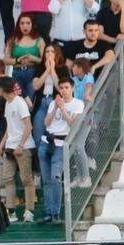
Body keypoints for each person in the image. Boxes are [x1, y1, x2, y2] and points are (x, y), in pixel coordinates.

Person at [38, 77, 82, 223]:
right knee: (46, 180)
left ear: (72, 88)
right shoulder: (52, 103)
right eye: (61, 88)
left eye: (66, 87)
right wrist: (56, 107)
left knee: (55, 177)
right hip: (47, 141)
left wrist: (62, 107)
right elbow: (46, 122)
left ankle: (56, 213)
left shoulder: (77, 104)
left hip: (61, 143)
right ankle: (48, 212)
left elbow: (72, 123)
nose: (64, 90)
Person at [0, 76, 37, 223]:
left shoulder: (19, 103)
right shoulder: (8, 103)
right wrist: (3, 143)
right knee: (8, 178)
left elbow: (28, 125)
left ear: (2, 88)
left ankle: (29, 211)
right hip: (10, 146)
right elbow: (10, 126)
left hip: (23, 146)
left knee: (26, 179)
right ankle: (11, 211)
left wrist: (21, 145)